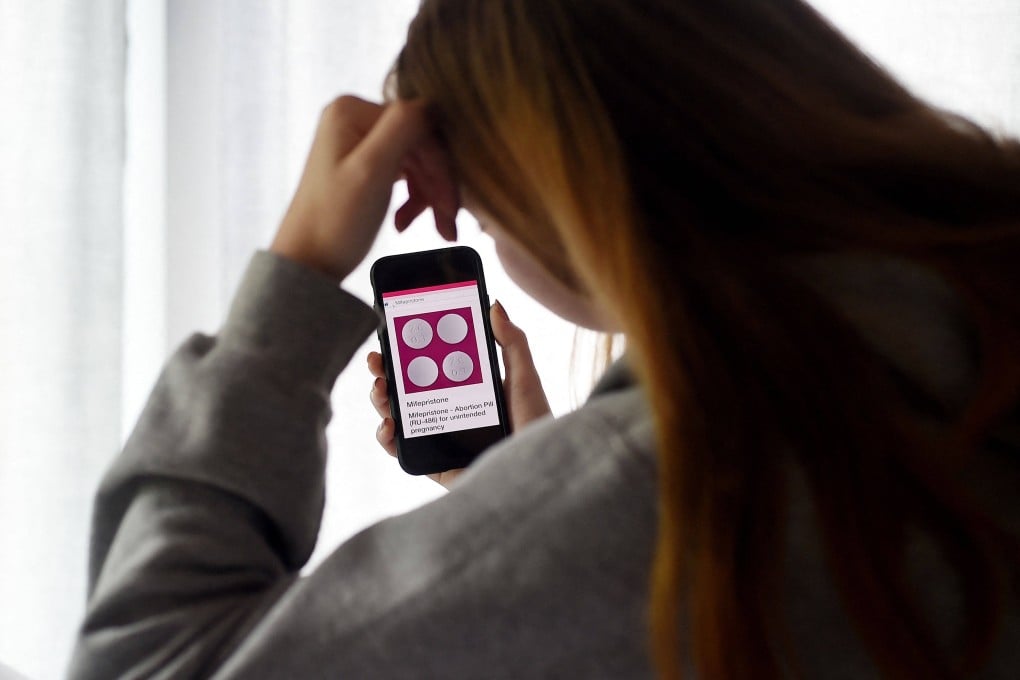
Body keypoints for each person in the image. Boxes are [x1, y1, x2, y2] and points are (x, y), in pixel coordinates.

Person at [69, 0, 1019, 678]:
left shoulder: (692, 480)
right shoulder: (971, 312)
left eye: (482, 217)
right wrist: (529, 484)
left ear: (555, 196)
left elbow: (143, 661)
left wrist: (301, 271)